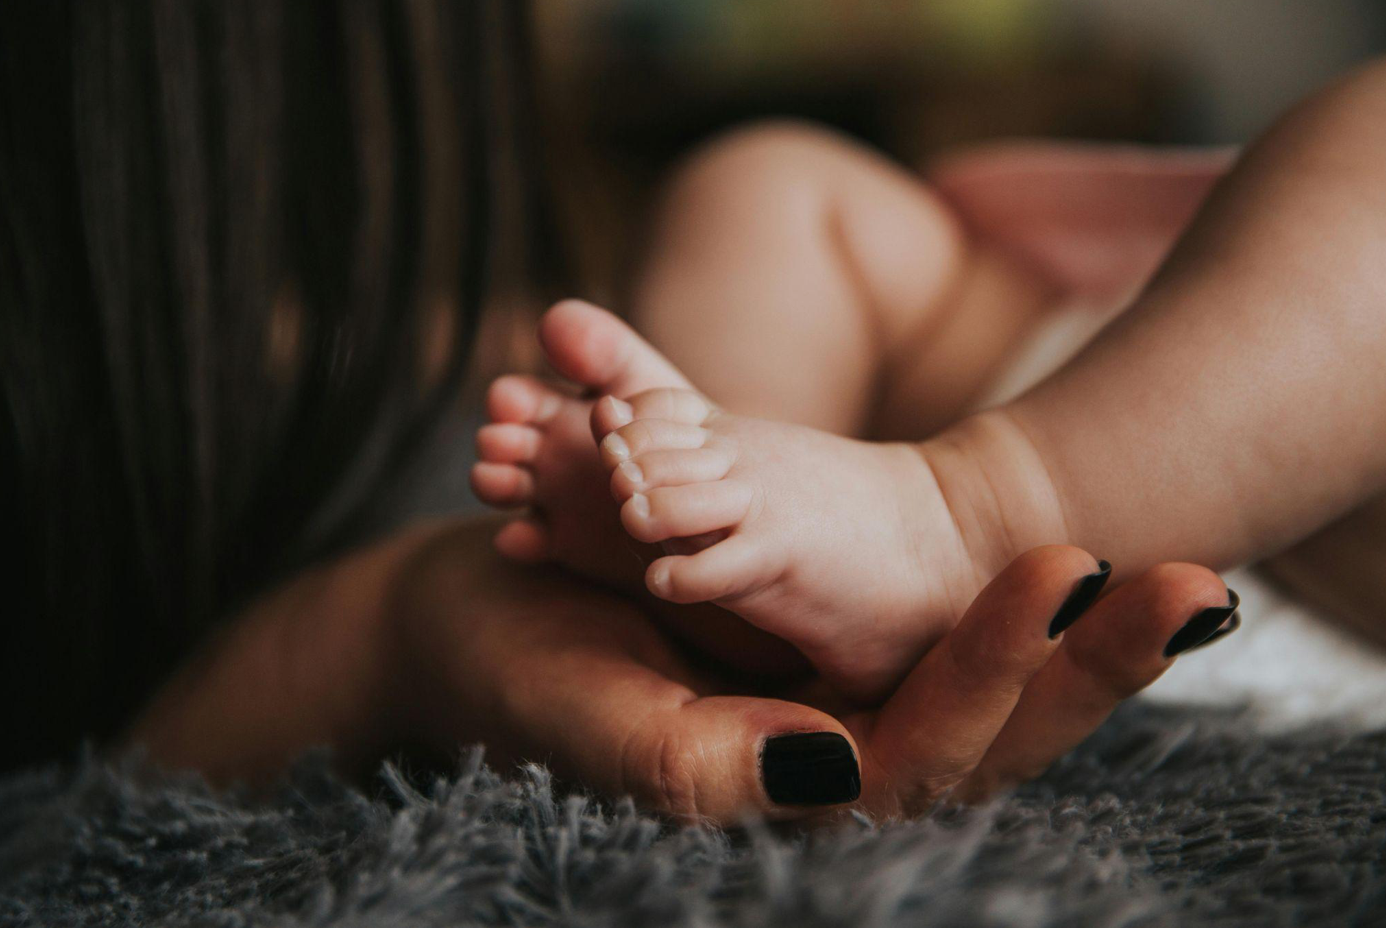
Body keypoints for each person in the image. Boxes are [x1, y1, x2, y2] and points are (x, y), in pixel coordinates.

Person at [3, 1, 1229, 824]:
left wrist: (382, 623)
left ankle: (821, 535)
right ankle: (756, 539)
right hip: (1036, 373)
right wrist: (384, 628)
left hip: (1223, 459)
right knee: (761, 183)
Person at [473, 59, 1386, 707]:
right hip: (1081, 364)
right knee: (770, 181)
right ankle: (735, 547)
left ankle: (964, 519)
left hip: (1319, 563)